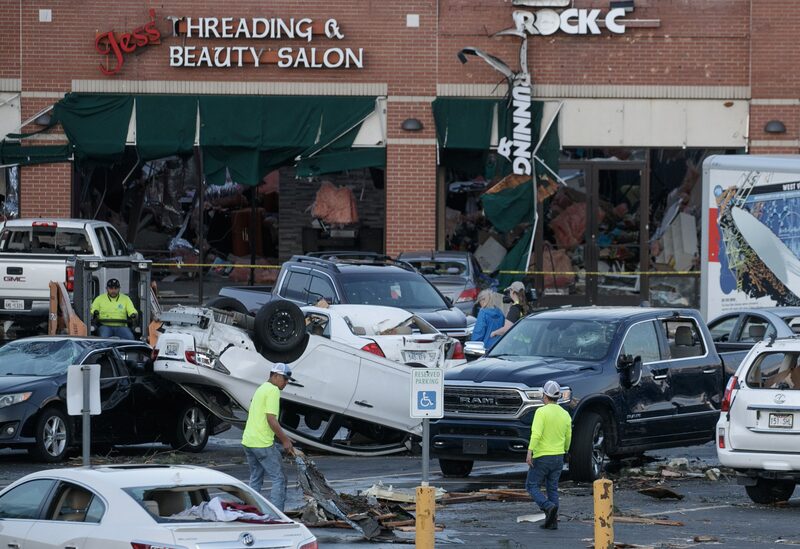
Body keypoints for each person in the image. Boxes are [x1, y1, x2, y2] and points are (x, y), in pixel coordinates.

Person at [241, 362, 296, 511]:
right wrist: (285, 441)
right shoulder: (273, 390)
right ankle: (277, 516)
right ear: (275, 376)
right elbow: (271, 419)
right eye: (284, 379)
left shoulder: (261, 388)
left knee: (256, 478)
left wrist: (283, 436)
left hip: (248, 441)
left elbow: (263, 420)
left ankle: (250, 512)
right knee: (279, 478)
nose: (286, 383)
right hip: (262, 444)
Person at [526, 380, 572, 530]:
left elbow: (536, 434)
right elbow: (568, 436)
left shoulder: (541, 412)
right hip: (558, 456)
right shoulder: (565, 414)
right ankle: (553, 522)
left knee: (531, 485)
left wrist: (529, 451)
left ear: (544, 395)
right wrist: (565, 450)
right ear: (557, 396)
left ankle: (547, 506)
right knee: (552, 488)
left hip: (542, 456)